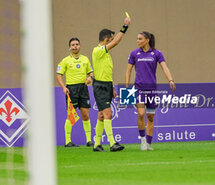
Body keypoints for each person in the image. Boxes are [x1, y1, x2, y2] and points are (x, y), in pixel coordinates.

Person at [125, 31, 176, 151]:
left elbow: (164, 67)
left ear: (147, 40)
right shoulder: (134, 53)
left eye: (140, 39)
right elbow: (128, 70)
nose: (137, 41)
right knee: (141, 114)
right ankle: (142, 141)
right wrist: (127, 86)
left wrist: (170, 80)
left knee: (151, 117)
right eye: (137, 39)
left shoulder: (157, 53)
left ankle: (148, 143)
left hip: (152, 90)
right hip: (138, 89)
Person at [91, 16, 131, 152]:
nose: (113, 40)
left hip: (107, 85)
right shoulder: (98, 51)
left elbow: (106, 72)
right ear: (107, 38)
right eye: (112, 38)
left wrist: (112, 88)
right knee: (108, 114)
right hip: (100, 86)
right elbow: (117, 42)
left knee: (102, 115)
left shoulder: (106, 55)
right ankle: (112, 143)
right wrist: (124, 27)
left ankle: (97, 144)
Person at [56, 37, 94, 147]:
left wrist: (89, 78)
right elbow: (59, 75)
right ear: (69, 47)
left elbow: (91, 73)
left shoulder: (85, 59)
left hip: (83, 89)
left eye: (77, 44)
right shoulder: (65, 61)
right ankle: (68, 141)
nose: (75, 46)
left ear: (80, 46)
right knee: (71, 115)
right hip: (71, 90)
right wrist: (63, 87)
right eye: (73, 45)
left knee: (85, 114)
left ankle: (89, 141)